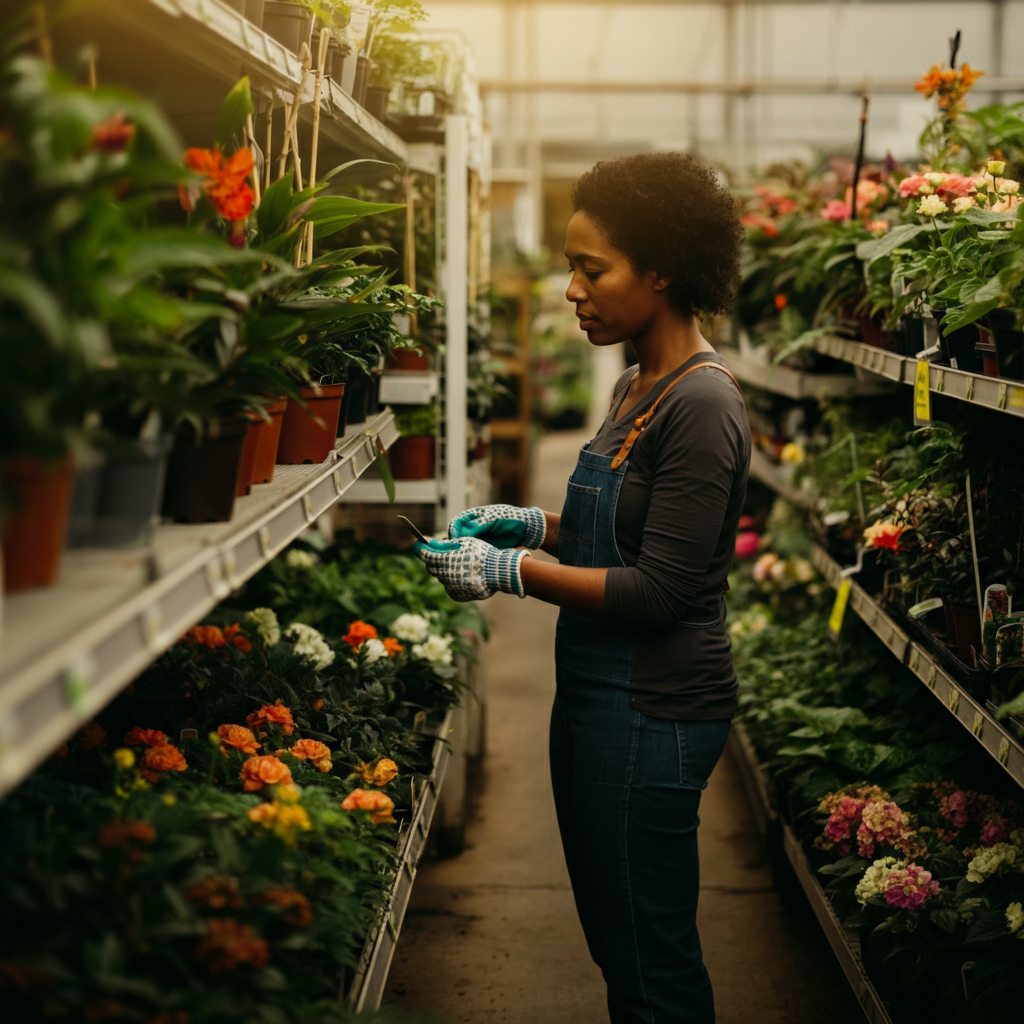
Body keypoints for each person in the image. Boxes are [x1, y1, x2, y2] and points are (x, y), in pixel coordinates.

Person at [414, 152, 749, 1024]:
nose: (572, 288)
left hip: (653, 711)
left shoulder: (702, 405)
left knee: (651, 968)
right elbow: (624, 535)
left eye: (591, 268)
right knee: (620, 942)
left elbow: (662, 589)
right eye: (572, 266)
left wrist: (510, 572)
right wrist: (535, 527)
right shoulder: (640, 381)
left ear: (663, 270)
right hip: (600, 700)